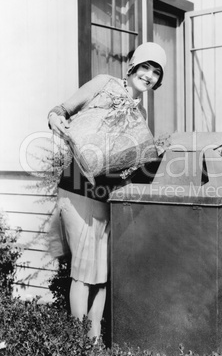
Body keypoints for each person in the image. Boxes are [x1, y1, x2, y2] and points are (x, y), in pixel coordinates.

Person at [47, 42, 167, 340]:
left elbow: (128, 166)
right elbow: (61, 109)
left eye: (156, 72)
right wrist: (55, 120)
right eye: (145, 67)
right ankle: (80, 341)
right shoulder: (103, 84)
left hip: (105, 196)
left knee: (102, 273)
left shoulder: (142, 119)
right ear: (133, 66)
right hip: (76, 187)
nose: (149, 75)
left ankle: (95, 336)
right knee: (84, 271)